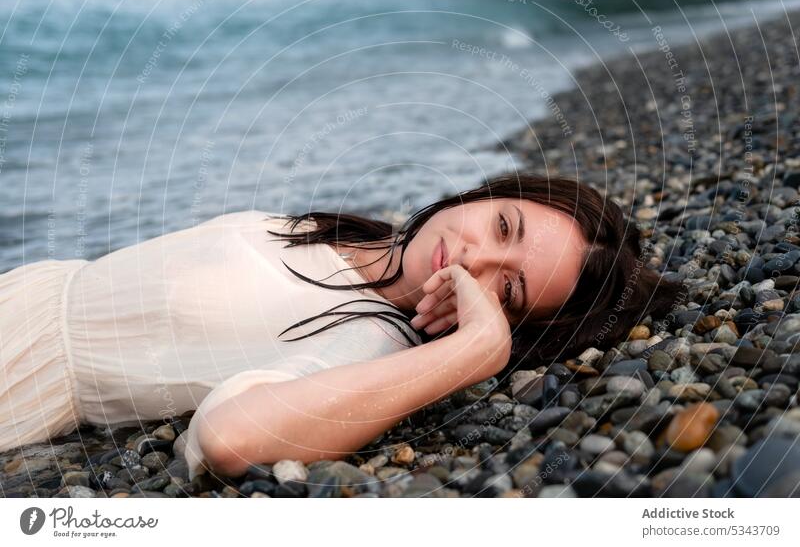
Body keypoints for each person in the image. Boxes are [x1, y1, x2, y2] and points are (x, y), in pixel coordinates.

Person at [0, 174, 681, 481]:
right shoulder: (371, 239)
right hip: (27, 289)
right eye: (503, 226)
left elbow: (229, 439)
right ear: (488, 193)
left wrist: (477, 349)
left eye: (509, 286)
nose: (476, 256)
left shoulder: (376, 340)